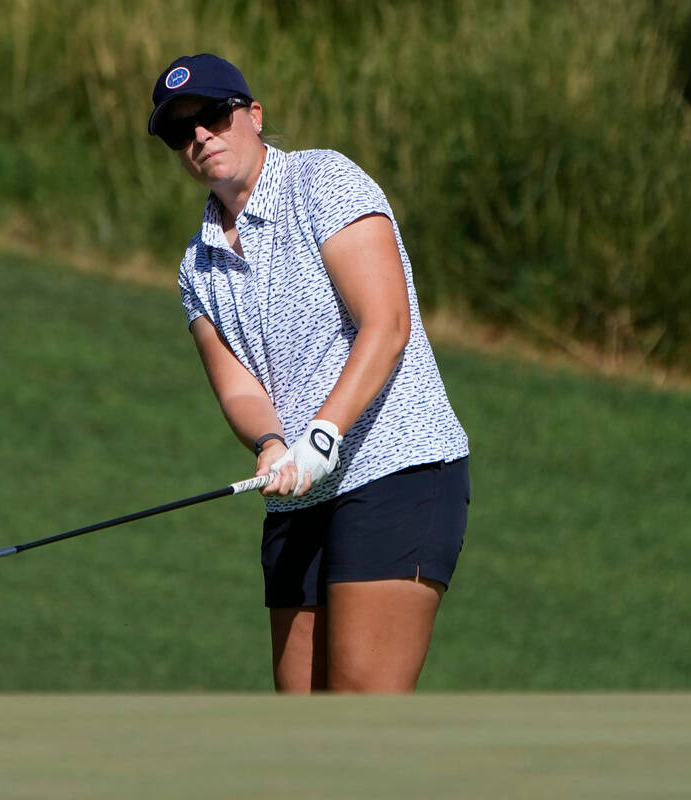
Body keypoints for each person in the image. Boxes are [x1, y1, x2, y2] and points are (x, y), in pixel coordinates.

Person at [147, 54, 470, 693]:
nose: (200, 137)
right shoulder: (197, 264)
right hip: (300, 496)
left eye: (213, 115)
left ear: (253, 115)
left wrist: (323, 433)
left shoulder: (323, 182)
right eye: (181, 131)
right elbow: (238, 383)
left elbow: (387, 325)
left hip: (395, 471)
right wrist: (271, 442)